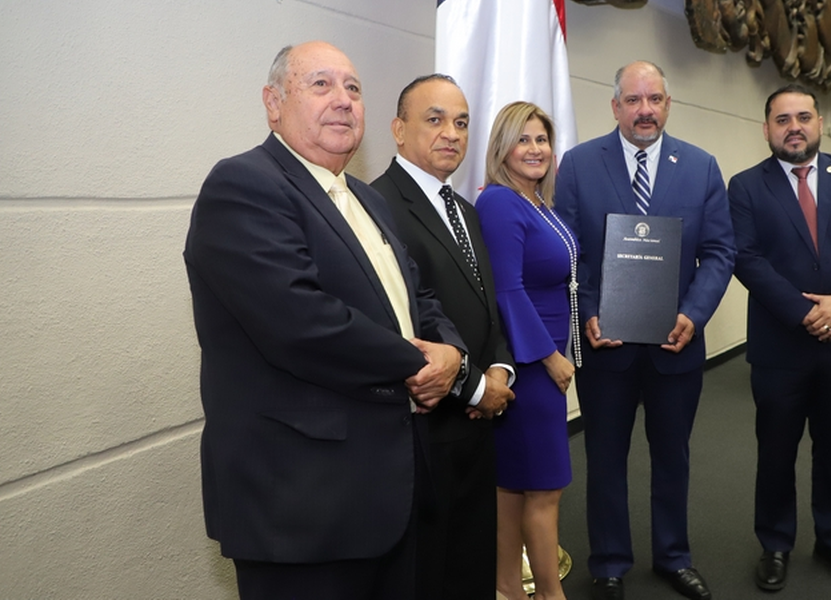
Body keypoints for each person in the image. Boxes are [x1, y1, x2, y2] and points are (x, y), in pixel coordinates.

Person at [184, 42, 467, 599]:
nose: (343, 100)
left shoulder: (366, 199)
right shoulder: (243, 185)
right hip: (301, 503)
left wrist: (452, 352)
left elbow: (418, 295)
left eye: (353, 88)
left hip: (387, 491)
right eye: (321, 85)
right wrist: (420, 362)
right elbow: (301, 321)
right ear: (273, 103)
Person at [555, 61, 735, 600]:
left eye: (654, 99)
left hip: (675, 345)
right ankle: (609, 563)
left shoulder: (701, 167)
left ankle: (673, 557)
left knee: (672, 456)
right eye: (633, 100)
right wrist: (588, 312)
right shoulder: (578, 165)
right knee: (605, 458)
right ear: (615, 107)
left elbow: (719, 252)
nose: (645, 110)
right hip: (604, 345)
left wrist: (693, 314)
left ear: (668, 104)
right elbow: (569, 252)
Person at [727, 83, 831, 592]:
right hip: (780, 346)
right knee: (776, 450)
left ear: (820, 123)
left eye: (803, 117)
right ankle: (775, 543)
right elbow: (745, 258)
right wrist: (806, 313)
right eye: (782, 119)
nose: (793, 127)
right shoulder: (745, 186)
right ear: (766, 129)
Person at [369, 74, 517, 600]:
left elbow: (486, 305)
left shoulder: (466, 211)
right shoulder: (377, 206)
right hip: (423, 426)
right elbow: (403, 323)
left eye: (461, 123)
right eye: (434, 120)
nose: (451, 133)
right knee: (428, 574)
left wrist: (499, 370)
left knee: (471, 565)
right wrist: (476, 388)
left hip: (477, 422)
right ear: (398, 130)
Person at [475, 102, 579, 600]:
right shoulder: (500, 202)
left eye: (542, 139)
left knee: (516, 485)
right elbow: (507, 290)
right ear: (502, 148)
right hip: (530, 364)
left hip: (542, 358)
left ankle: (509, 590)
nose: (535, 149)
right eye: (523, 139)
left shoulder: (536, 201)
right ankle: (550, 595)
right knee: (544, 487)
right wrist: (550, 357)